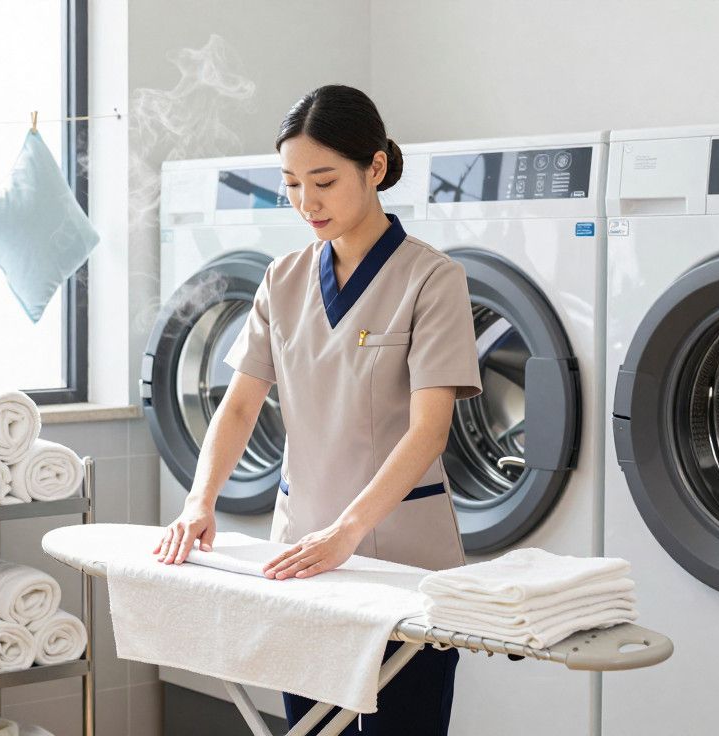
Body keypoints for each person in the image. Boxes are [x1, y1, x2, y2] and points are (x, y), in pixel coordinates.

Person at [153, 84, 483, 735]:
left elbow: (428, 431)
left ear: (376, 168)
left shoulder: (431, 279)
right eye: (292, 184)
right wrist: (201, 499)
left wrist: (349, 531)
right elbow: (241, 403)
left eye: (324, 181)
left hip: (402, 564)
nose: (307, 203)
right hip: (301, 557)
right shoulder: (283, 279)